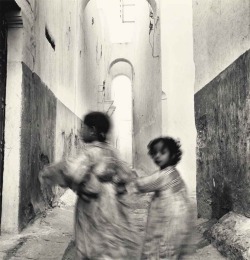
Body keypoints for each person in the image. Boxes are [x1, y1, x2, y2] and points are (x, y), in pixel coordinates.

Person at [39, 111, 139, 260]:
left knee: (89, 239)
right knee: (108, 238)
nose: (80, 131)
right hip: (111, 204)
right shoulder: (112, 151)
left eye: (83, 128)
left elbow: (72, 172)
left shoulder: (90, 153)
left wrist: (49, 174)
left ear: (92, 131)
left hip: (91, 205)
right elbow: (127, 175)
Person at [134, 137, 194, 260]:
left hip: (168, 220)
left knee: (162, 247)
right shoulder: (175, 173)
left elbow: (142, 185)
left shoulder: (164, 175)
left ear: (172, 155)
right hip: (179, 221)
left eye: (162, 152)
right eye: (155, 153)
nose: (157, 156)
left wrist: (131, 177)